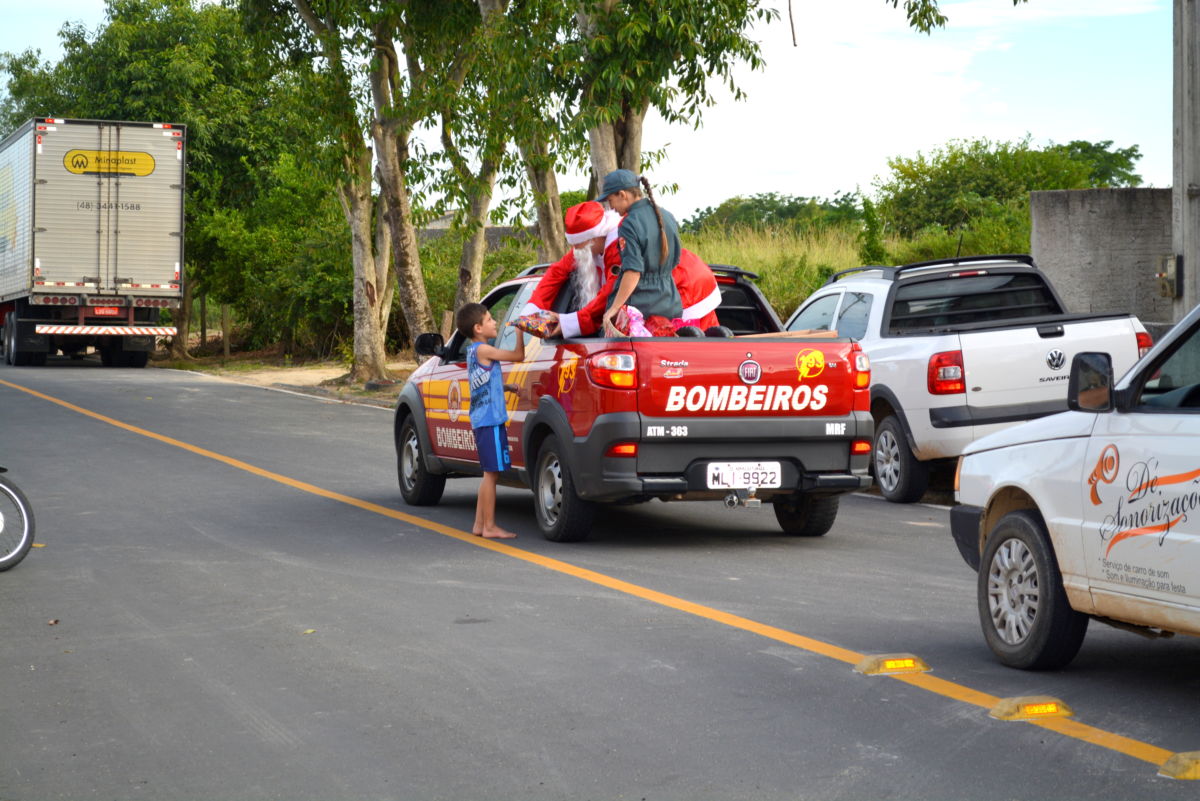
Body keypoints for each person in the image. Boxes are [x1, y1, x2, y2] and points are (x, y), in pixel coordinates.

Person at [456, 302, 525, 539]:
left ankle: (479, 524)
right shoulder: (484, 350)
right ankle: (490, 526)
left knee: (489, 473)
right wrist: (519, 332)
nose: (495, 322)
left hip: (482, 418)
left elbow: (484, 384)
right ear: (477, 328)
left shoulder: (474, 351)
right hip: (490, 419)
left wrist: (506, 387)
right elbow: (519, 356)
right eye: (489, 320)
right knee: (492, 474)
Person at [596, 169, 683, 333]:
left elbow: (633, 271)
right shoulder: (667, 216)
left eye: (610, 200)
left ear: (623, 194)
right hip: (670, 304)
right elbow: (676, 260)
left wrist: (613, 309)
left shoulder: (629, 223)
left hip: (638, 310)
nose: (612, 208)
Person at [521, 201, 621, 317]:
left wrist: (567, 322)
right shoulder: (584, 249)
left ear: (593, 238)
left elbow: (609, 292)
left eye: (578, 243)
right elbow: (555, 273)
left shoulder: (618, 250)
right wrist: (532, 310)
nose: (574, 249)